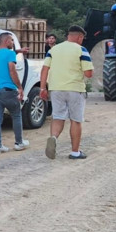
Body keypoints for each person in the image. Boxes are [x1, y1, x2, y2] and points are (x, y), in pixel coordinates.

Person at [40, 25, 93, 160]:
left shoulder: (54, 49)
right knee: (76, 120)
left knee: (58, 117)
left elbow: (45, 69)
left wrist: (42, 88)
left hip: (56, 88)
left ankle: (53, 137)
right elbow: (88, 73)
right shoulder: (81, 50)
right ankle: (75, 152)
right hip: (75, 89)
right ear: (80, 37)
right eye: (82, 38)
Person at [0, 32, 27, 154]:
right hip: (8, 90)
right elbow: (12, 70)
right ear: (6, 41)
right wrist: (20, 87)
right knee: (16, 115)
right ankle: (18, 143)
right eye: (11, 40)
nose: (13, 42)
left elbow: (4, 55)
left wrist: (19, 51)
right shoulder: (10, 54)